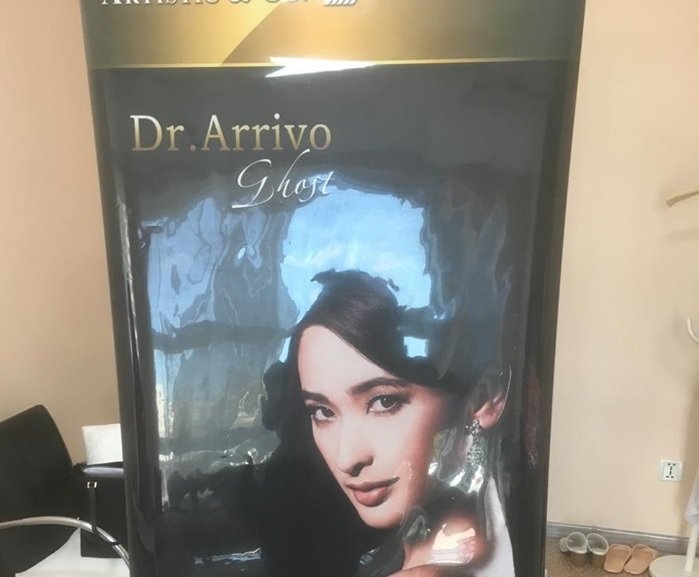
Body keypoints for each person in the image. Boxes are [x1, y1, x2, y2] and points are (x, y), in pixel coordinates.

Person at [262, 269, 512, 577]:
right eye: (323, 412)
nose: (347, 458)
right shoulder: (422, 545)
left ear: (482, 399)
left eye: (384, 402)